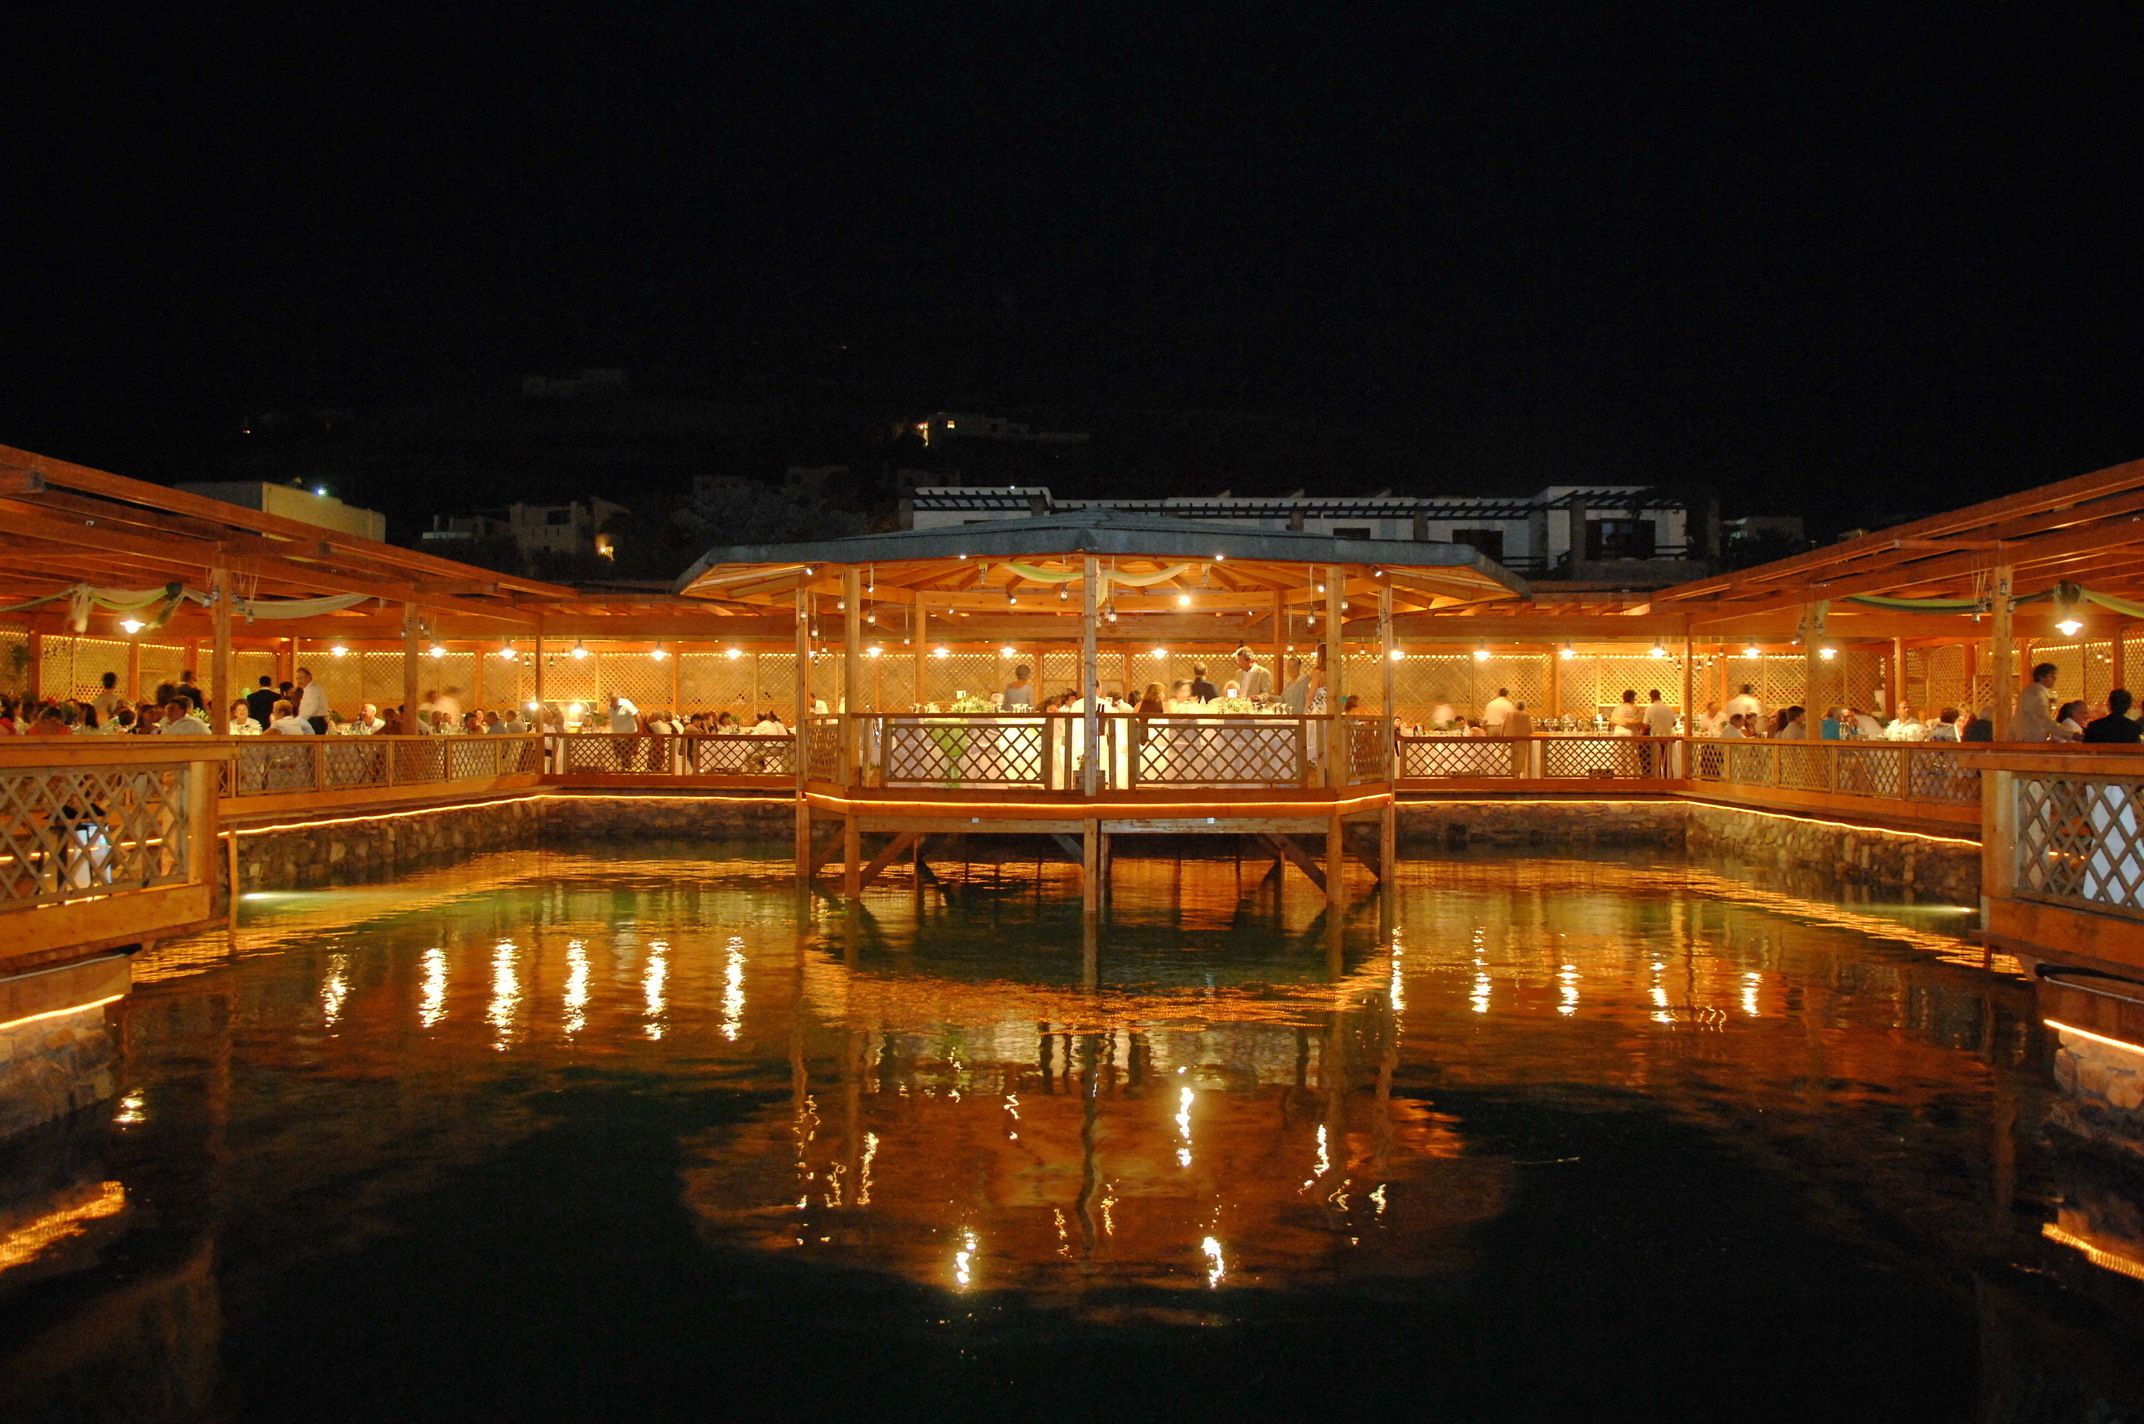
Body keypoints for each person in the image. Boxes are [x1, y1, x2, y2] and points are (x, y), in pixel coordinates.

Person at [2012, 662, 2060, 742]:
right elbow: (2043, 719)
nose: (2055, 678)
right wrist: (2070, 734)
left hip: (2027, 738)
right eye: (2051, 676)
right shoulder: (2036, 694)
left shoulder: (2036, 691)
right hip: (2028, 740)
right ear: (2041, 677)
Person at [294, 666, 331, 734]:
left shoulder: (312, 689)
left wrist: (299, 720)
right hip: (313, 721)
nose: (299, 681)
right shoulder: (308, 689)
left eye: (301, 678)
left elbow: (313, 708)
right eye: (297, 679)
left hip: (314, 722)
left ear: (308, 677)